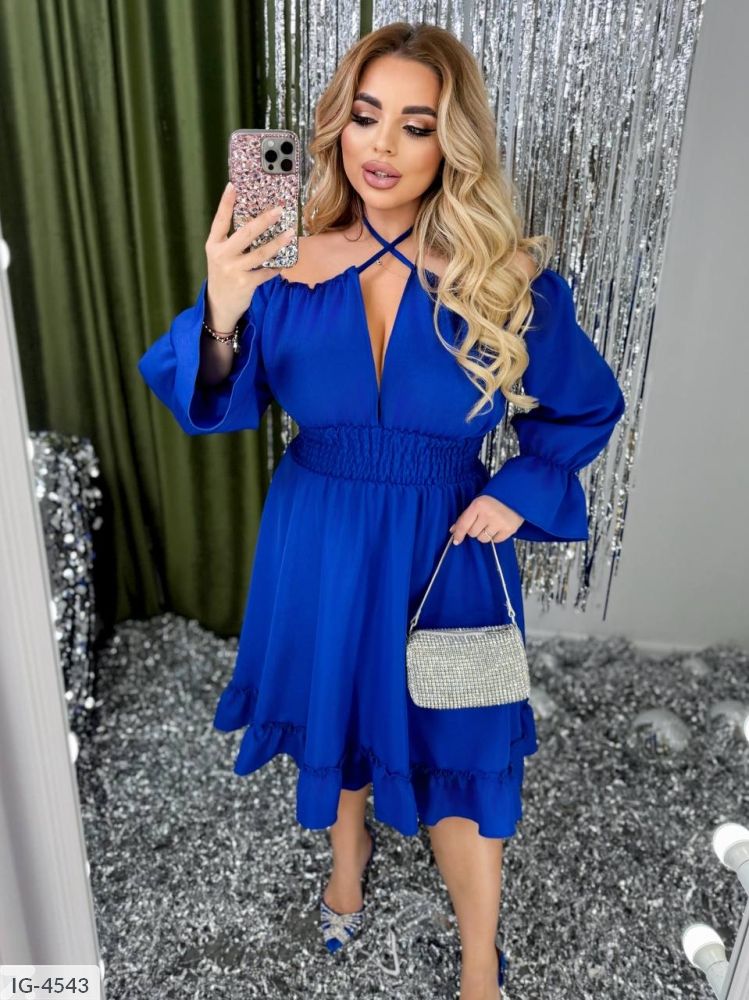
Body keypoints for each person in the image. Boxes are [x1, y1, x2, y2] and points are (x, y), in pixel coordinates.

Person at [138, 21, 625, 1000]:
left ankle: (479, 963)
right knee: (343, 706)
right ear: (337, 125)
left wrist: (516, 489)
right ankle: (347, 855)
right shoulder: (280, 264)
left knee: (465, 744)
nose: (382, 147)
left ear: (452, 144)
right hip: (316, 532)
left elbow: (584, 406)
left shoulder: (502, 276)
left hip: (446, 545)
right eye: (365, 117)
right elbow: (212, 401)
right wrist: (223, 304)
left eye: (415, 125)